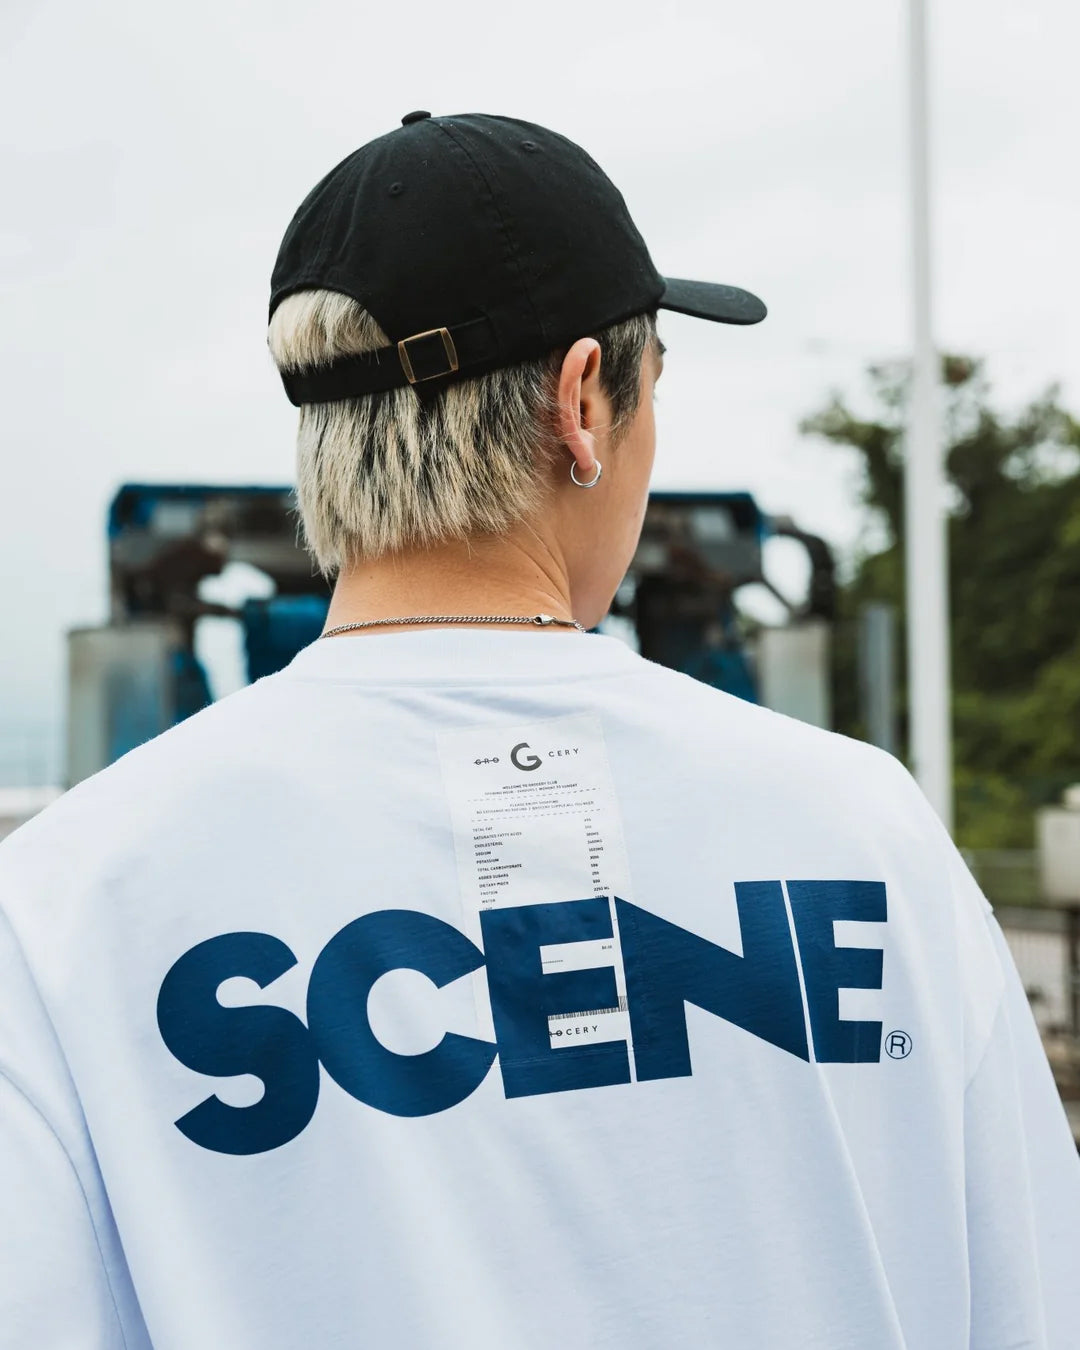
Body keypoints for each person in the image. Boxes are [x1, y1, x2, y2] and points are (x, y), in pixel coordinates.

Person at [1, 111, 1077, 1350]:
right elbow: (1034, 1299)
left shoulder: (65, 906)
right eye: (651, 389)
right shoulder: (865, 832)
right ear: (583, 403)